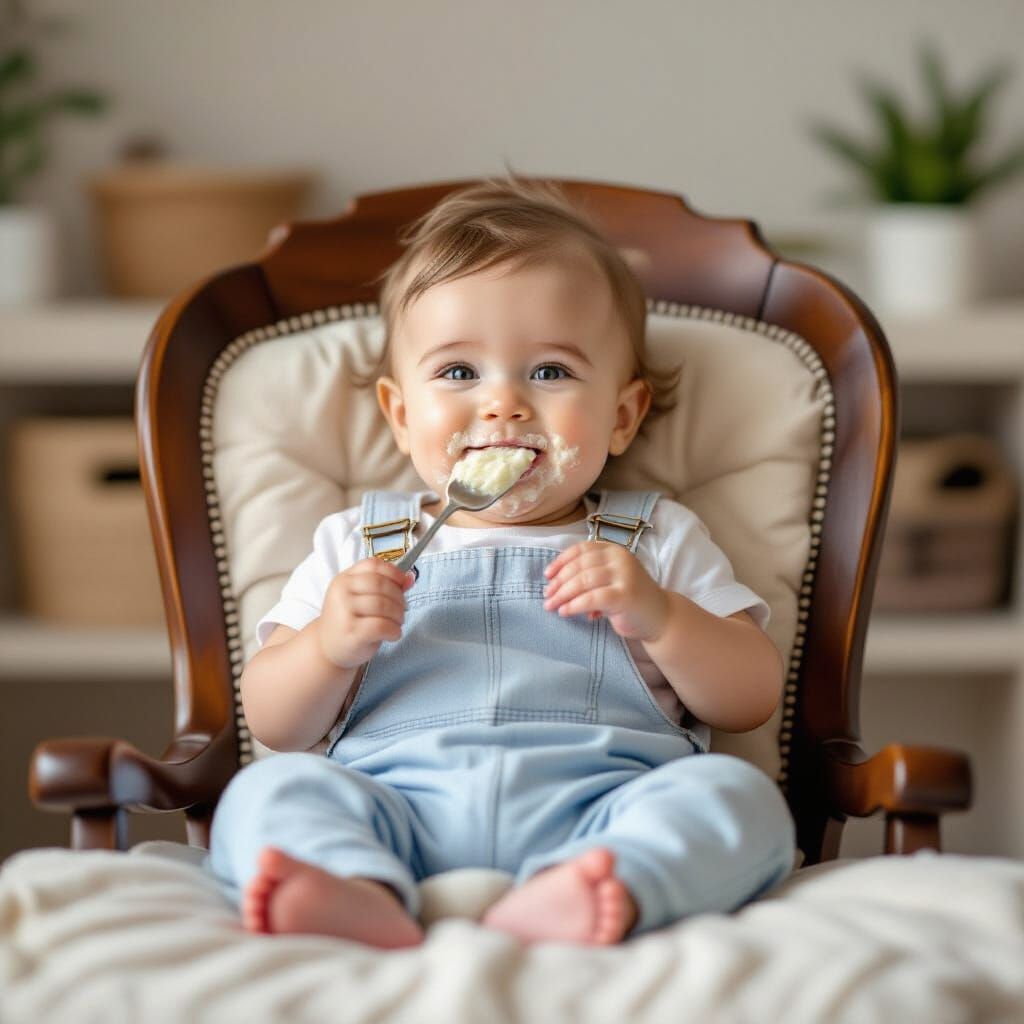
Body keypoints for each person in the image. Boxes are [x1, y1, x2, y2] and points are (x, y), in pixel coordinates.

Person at [207, 177, 796, 949]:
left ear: (622, 416)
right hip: (395, 813)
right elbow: (275, 724)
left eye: (550, 372)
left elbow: (748, 698)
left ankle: (607, 886)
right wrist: (326, 645)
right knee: (268, 790)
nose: (504, 405)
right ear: (401, 412)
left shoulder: (656, 537)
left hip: (604, 808)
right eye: (458, 372)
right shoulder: (357, 539)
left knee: (738, 798)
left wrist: (660, 614)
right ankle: (354, 887)